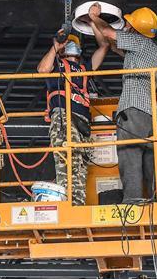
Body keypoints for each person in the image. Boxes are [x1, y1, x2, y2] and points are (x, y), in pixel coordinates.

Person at [89, 3, 157, 203]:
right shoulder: (147, 50)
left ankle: (132, 200)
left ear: (136, 28)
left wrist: (94, 16)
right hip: (150, 115)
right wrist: (94, 25)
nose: (126, 26)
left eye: (129, 24)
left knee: (129, 153)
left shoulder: (139, 41)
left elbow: (108, 33)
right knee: (150, 160)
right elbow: (111, 44)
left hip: (134, 109)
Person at [37, 30, 109, 205]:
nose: (71, 46)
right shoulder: (57, 65)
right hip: (64, 117)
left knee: (80, 167)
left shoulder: (84, 68)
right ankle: (70, 205)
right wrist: (55, 47)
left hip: (83, 123)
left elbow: (104, 46)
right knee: (68, 163)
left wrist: (92, 22)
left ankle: (77, 204)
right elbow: (42, 69)